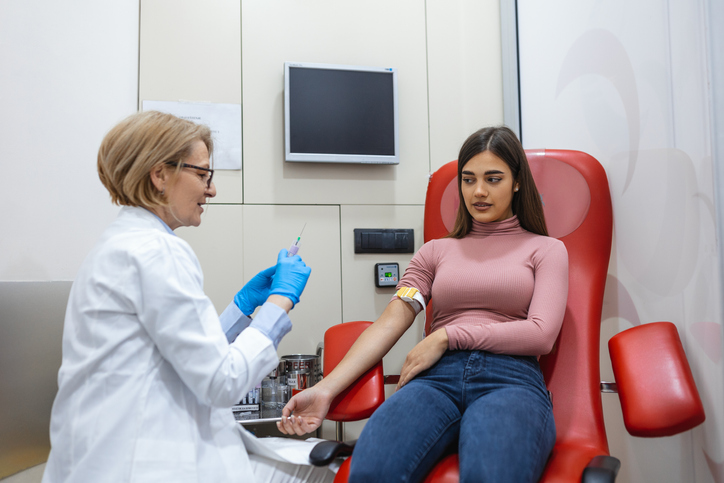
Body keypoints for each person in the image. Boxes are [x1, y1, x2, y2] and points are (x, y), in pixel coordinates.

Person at [42, 111, 334, 483]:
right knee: (328, 473)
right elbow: (221, 381)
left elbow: (181, 351)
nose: (211, 190)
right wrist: (281, 300)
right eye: (202, 174)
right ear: (160, 174)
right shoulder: (156, 250)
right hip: (141, 463)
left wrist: (243, 309)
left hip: (109, 457)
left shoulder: (123, 244)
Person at [277, 126, 568, 482]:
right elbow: (389, 322)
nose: (478, 191)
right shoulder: (435, 252)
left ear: (517, 182)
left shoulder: (546, 250)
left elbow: (541, 335)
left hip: (509, 380)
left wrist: (448, 336)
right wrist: (324, 389)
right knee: (371, 472)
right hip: (435, 380)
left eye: (493, 179)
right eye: (468, 179)